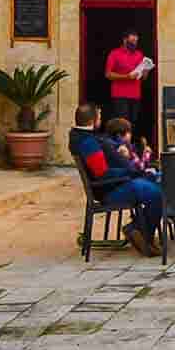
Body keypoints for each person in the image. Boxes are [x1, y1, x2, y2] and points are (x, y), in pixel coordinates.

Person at [69, 104, 162, 256]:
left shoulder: (82, 137)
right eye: (99, 116)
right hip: (109, 190)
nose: (101, 119)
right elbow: (102, 174)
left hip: (113, 185)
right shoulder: (88, 142)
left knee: (156, 184)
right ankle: (139, 231)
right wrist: (130, 172)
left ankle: (140, 231)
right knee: (157, 193)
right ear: (93, 120)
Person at [103, 31, 148, 128]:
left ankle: (130, 143)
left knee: (133, 124)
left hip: (136, 95)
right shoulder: (114, 53)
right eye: (132, 41)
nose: (134, 43)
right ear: (125, 40)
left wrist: (145, 73)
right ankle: (121, 143)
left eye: (136, 41)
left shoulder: (139, 54)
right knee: (122, 125)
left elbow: (143, 78)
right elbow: (108, 74)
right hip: (120, 95)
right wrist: (126, 77)